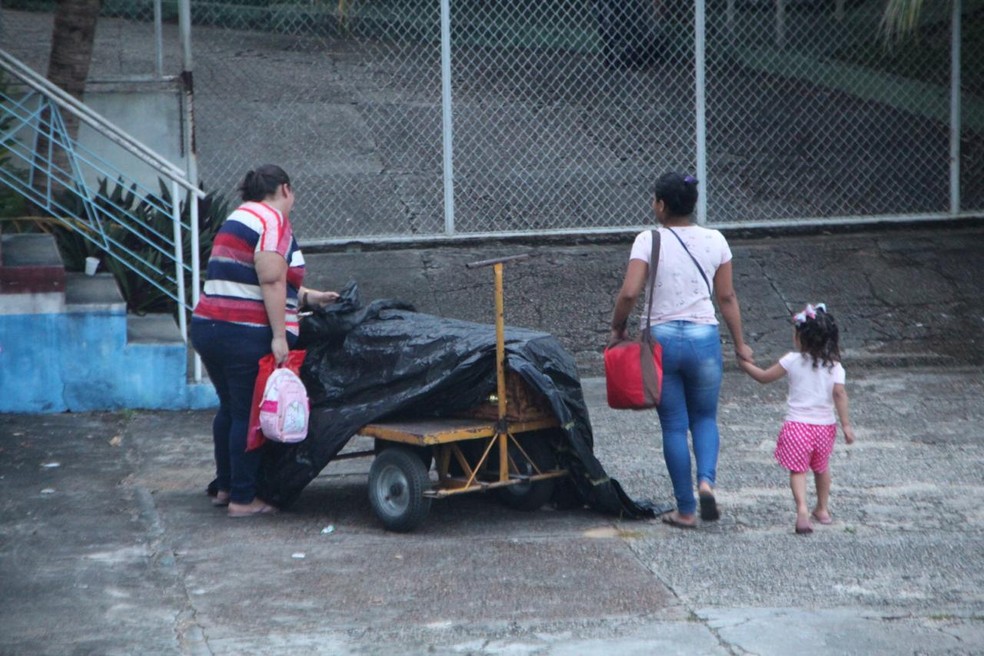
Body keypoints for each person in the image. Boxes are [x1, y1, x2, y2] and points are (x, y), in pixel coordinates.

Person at [190, 164, 339, 518]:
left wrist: (309, 297)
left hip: (209, 327)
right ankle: (243, 500)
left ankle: (225, 487)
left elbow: (255, 278)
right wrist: (277, 336)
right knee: (247, 414)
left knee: (229, 409)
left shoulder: (238, 217)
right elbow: (271, 280)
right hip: (243, 333)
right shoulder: (273, 222)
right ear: (285, 189)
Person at [609, 171, 752, 529]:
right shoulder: (715, 240)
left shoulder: (648, 240)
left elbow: (629, 293)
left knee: (674, 425)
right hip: (704, 337)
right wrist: (740, 344)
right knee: (705, 418)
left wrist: (617, 327)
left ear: (660, 204)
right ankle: (706, 481)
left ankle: (685, 510)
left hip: (662, 341)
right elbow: (727, 297)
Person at [737, 303, 856, 535]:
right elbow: (839, 394)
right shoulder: (836, 367)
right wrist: (847, 425)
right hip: (825, 428)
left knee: (798, 470)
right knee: (821, 468)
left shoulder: (792, 360)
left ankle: (801, 508)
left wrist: (745, 365)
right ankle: (822, 509)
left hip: (797, 426)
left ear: (801, 337)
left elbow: (764, 377)